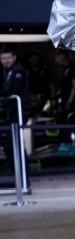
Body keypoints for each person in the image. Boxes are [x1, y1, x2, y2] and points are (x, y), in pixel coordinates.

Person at [1, 47, 29, 175]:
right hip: (12, 113)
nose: (6, 60)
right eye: (3, 58)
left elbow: (13, 90)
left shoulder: (18, 70)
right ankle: (17, 176)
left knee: (13, 144)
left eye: (8, 58)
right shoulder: (8, 71)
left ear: (14, 58)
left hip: (21, 112)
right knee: (10, 145)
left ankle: (23, 178)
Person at [53, 49, 75, 121]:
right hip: (64, 102)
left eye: (57, 57)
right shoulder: (65, 70)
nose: (56, 60)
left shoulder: (73, 68)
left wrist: (69, 102)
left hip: (72, 104)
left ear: (63, 55)